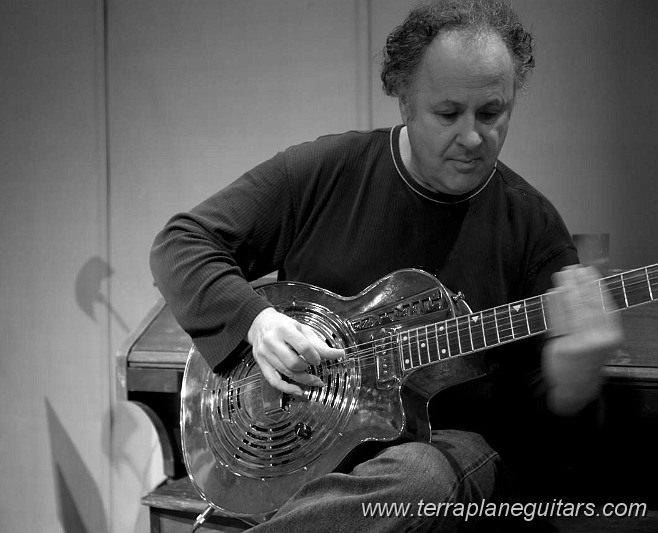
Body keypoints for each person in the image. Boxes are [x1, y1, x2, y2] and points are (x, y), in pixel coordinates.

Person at [150, 0, 623, 530]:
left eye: (491, 113)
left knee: (418, 476)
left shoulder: (534, 229)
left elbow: (560, 450)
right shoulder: (325, 172)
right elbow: (182, 242)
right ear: (404, 102)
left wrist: (575, 379)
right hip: (309, 445)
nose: (472, 137)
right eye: (448, 114)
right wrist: (256, 324)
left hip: (452, 460)